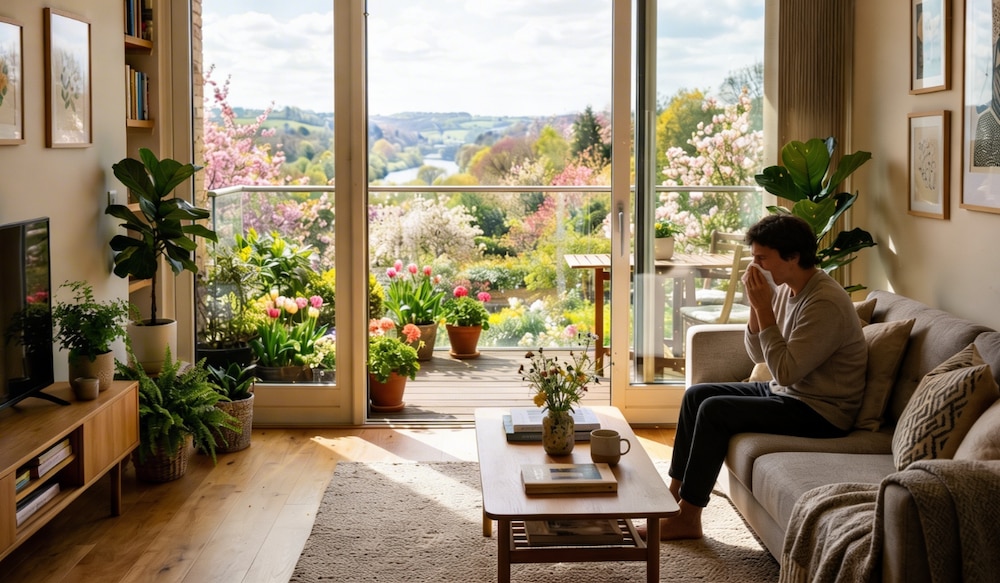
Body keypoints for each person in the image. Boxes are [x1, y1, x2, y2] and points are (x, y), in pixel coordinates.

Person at [641, 213, 867, 541]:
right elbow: (759, 355)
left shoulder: (825, 302)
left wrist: (764, 310)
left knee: (715, 411)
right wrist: (755, 308)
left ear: (792, 256)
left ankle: (688, 519)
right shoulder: (786, 287)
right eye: (753, 256)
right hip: (791, 393)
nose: (755, 265)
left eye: (762, 257)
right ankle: (672, 499)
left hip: (822, 411)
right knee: (697, 396)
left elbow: (786, 372)